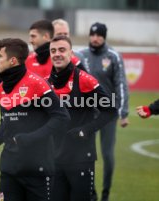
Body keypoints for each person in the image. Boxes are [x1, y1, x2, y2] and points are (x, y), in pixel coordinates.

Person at [0, 38, 70, 201]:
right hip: (9, 168)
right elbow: (7, 120)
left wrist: (30, 138)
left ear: (13, 60)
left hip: (37, 169)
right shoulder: (1, 88)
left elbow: (62, 117)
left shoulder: (38, 84)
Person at [48, 35, 117, 201]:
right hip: (53, 159)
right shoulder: (46, 83)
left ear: (71, 53)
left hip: (80, 159)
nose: (57, 54)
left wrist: (85, 130)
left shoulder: (86, 80)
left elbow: (110, 110)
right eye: (53, 51)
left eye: (62, 50)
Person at [79, 22, 129, 201]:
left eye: (99, 35)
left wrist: (123, 113)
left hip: (108, 114)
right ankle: (91, 193)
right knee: (87, 155)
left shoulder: (114, 56)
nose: (95, 38)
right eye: (92, 35)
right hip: (88, 114)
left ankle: (105, 194)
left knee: (107, 155)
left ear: (104, 37)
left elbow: (121, 84)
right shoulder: (81, 55)